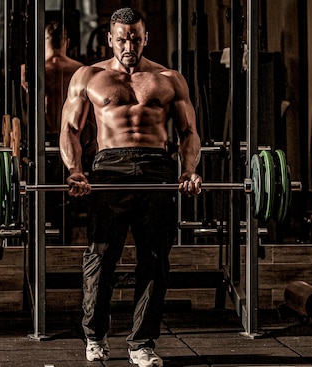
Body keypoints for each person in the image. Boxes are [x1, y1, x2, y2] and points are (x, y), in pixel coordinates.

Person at [59, 7, 202, 366]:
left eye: (135, 37)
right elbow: (70, 130)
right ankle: (95, 336)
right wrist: (75, 170)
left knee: (154, 260)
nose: (129, 45)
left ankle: (142, 344)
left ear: (145, 38)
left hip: (157, 167)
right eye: (122, 38)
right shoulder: (88, 76)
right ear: (110, 38)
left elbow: (189, 133)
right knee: (101, 256)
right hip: (109, 168)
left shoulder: (169, 78)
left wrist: (188, 171)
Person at [21, 21, 87, 244]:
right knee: (69, 196)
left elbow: (21, 111)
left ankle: (41, 245)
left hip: (41, 139)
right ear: (67, 43)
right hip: (73, 139)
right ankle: (64, 244)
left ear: (43, 43)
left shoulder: (29, 71)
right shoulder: (80, 71)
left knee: (40, 197)